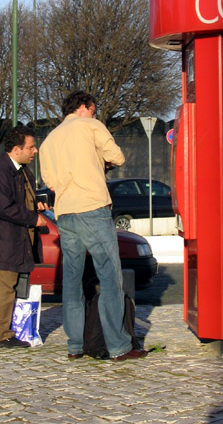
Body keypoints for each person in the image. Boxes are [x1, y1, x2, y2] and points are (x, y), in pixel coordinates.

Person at [39, 90, 147, 362]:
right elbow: (117, 156)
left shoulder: (49, 140)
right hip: (92, 207)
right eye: (94, 109)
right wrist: (102, 163)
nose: (95, 114)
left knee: (72, 280)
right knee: (110, 275)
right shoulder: (91, 126)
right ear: (84, 107)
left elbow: (50, 181)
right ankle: (118, 346)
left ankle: (75, 345)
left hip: (65, 211)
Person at [0, 125, 47, 349]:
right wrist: (32, 218)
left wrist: (36, 204)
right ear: (17, 149)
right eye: (31, 147)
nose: (35, 151)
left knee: (10, 287)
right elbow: (3, 207)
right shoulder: (1, 171)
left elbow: (19, 199)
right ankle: (1, 336)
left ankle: (6, 332)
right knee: (3, 289)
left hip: (14, 240)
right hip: (3, 241)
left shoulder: (20, 169)